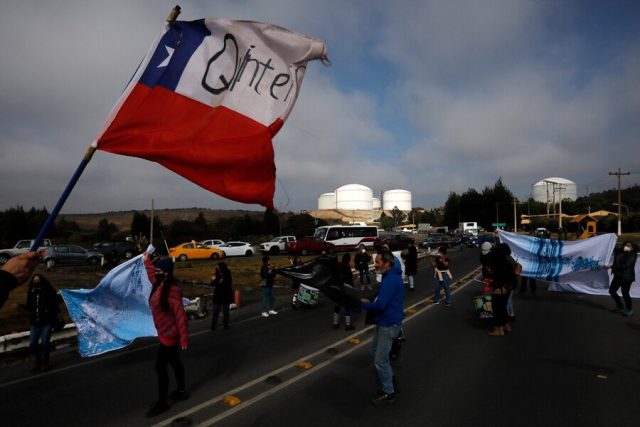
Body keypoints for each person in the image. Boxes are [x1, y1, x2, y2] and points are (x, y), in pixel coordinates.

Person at [144, 252, 189, 417]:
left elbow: (181, 316)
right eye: (156, 270)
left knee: (160, 367)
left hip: (170, 336)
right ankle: (182, 390)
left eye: (158, 270)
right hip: (163, 333)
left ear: (166, 272)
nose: (155, 272)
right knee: (175, 362)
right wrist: (146, 261)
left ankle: (162, 403)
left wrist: (183, 338)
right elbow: (150, 275)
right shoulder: (159, 284)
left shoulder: (172, 291)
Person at [361, 250, 404, 406]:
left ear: (387, 264)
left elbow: (380, 305)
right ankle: (390, 379)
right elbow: (381, 299)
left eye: (378, 262)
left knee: (380, 360)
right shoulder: (389, 277)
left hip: (388, 325)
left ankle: (388, 393)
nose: (375, 264)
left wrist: (363, 304)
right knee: (374, 352)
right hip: (383, 323)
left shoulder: (390, 280)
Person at [22, 274, 61, 372]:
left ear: (42, 281)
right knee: (32, 344)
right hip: (34, 322)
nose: (36, 282)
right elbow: (29, 307)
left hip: (46, 322)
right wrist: (19, 307)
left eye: (38, 280)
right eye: (34, 280)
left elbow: (58, 301)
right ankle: (37, 361)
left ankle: (45, 363)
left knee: (44, 343)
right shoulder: (31, 293)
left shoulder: (48, 291)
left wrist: (59, 294)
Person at [488, 243, 517, 336]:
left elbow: (502, 275)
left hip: (501, 288)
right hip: (507, 287)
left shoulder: (502, 261)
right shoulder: (509, 259)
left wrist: (501, 287)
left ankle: (498, 330)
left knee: (497, 308)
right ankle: (506, 326)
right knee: (503, 308)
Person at [606, 241, 637, 317]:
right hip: (618, 276)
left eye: (629, 246)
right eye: (625, 245)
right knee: (612, 291)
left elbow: (626, 265)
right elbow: (611, 244)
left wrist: (612, 267)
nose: (626, 247)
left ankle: (629, 310)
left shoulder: (633, 255)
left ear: (632, 248)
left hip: (626, 277)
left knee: (625, 294)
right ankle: (620, 306)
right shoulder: (620, 251)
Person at [334, 253, 355, 330]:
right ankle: (348, 325)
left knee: (337, 306)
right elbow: (349, 280)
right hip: (345, 289)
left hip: (337, 289)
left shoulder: (338, 265)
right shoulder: (347, 267)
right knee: (347, 306)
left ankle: (335, 323)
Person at [210, 262, 233, 330]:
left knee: (226, 311)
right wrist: (214, 280)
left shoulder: (227, 273)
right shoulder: (216, 273)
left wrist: (221, 281)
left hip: (225, 295)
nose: (217, 268)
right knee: (215, 311)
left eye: (218, 267)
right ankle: (214, 325)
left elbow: (228, 283)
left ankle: (225, 324)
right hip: (218, 295)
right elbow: (213, 284)